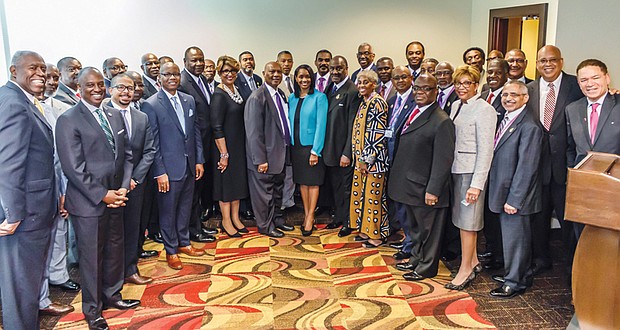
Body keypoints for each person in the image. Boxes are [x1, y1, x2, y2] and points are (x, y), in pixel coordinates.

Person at [56, 67, 139, 330]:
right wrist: (103, 195)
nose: (96, 89)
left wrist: (123, 188)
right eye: (89, 85)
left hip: (117, 197)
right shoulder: (69, 119)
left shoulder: (113, 115)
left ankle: (112, 295)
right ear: (79, 88)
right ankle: (92, 310)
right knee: (92, 257)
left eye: (100, 85)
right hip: (89, 203)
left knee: (115, 248)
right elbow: (73, 167)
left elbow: (126, 156)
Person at [0, 50, 57, 330]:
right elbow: (8, 163)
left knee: (26, 286)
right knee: (21, 288)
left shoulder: (21, 100)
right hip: (24, 216)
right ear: (14, 71)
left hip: (32, 210)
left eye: (43, 69)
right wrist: (12, 215)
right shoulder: (13, 103)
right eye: (32, 68)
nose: (40, 74)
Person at [142, 62, 208, 271]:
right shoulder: (151, 104)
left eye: (176, 74)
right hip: (168, 170)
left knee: (185, 207)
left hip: (189, 166)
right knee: (168, 211)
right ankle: (171, 250)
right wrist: (159, 171)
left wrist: (199, 160)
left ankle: (184, 242)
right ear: (159, 78)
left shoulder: (188, 100)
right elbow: (153, 142)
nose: (172, 77)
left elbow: (195, 132)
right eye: (167, 74)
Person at [390, 74, 455, 281]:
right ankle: (416, 259)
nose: (420, 93)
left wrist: (433, 190)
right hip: (408, 185)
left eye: (426, 89)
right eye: (417, 88)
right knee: (415, 229)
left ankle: (427, 267)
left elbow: (443, 160)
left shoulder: (441, 121)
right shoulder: (414, 111)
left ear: (436, 91)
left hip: (425, 188)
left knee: (428, 232)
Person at [526, 45, 583, 276]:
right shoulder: (528, 89)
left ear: (561, 61)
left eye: (552, 60)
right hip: (536, 167)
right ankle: (541, 259)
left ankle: (573, 267)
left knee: (568, 221)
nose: (547, 64)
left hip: (565, 167)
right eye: (542, 61)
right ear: (537, 64)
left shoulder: (575, 86)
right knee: (538, 218)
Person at [488, 80, 542, 298]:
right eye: (505, 95)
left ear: (525, 98)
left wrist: (514, 199)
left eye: (514, 95)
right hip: (504, 190)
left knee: (515, 240)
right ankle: (520, 273)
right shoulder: (506, 118)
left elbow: (527, 167)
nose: (508, 99)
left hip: (515, 196)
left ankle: (514, 282)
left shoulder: (529, 126)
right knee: (513, 239)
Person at [445, 65, 497, 290]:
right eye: (458, 83)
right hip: (457, 169)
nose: (462, 87)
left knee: (469, 223)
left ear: (477, 85)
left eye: (467, 83)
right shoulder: (456, 105)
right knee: (461, 220)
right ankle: (473, 260)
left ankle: (465, 269)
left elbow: (487, 150)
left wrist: (477, 184)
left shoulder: (484, 109)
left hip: (472, 173)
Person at [106, 73, 156, 285]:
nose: (126, 92)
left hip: (136, 184)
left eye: (130, 88)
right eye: (121, 88)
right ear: (111, 90)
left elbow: (149, 151)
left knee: (133, 228)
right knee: (111, 234)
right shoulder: (102, 114)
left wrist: (134, 179)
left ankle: (130, 269)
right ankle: (111, 275)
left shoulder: (141, 117)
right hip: (108, 187)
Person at [566, 59, 620, 237]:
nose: (590, 84)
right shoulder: (572, 109)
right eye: (583, 80)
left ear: (607, 78)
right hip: (583, 190)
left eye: (595, 77)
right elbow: (570, 148)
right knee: (583, 237)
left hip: (614, 188)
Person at [244, 62, 295, 238]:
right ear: (263, 73)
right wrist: (260, 160)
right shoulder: (257, 98)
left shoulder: (279, 93)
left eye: (279, 72)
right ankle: (265, 226)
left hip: (280, 154)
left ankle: (277, 220)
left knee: (277, 192)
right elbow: (253, 133)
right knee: (264, 196)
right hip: (264, 158)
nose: (276, 75)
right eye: (271, 71)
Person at [179, 46, 218, 241]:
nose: (198, 63)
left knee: (199, 191)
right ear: (185, 61)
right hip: (192, 148)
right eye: (194, 60)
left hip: (206, 144)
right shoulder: (182, 83)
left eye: (201, 59)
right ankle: (192, 231)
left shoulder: (201, 79)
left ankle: (198, 226)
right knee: (192, 193)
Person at [322, 56, 362, 236]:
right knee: (335, 187)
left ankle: (348, 222)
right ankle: (338, 217)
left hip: (343, 152)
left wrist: (348, 153)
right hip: (331, 150)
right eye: (332, 69)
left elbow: (353, 125)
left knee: (346, 189)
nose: (335, 72)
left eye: (339, 68)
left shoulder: (352, 91)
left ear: (346, 68)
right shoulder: (331, 87)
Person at [210, 56, 249, 237]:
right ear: (219, 73)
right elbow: (216, 127)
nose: (230, 74)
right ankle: (226, 221)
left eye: (233, 70)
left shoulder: (236, 89)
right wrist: (224, 154)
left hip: (238, 146)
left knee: (236, 184)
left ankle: (235, 217)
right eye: (225, 71)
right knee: (226, 186)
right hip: (224, 149)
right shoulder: (219, 95)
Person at [349, 70, 389, 248]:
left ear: (374, 84)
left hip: (374, 162)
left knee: (374, 198)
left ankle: (377, 235)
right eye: (359, 82)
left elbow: (376, 134)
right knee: (363, 196)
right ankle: (365, 230)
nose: (361, 85)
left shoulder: (378, 102)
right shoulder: (364, 102)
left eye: (366, 82)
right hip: (361, 160)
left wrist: (367, 160)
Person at [288, 64, 328, 236]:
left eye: (307, 76)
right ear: (295, 79)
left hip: (311, 147)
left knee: (313, 183)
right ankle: (306, 213)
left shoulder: (319, 98)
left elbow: (321, 125)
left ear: (312, 78)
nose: (304, 80)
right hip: (296, 147)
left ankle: (310, 217)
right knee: (302, 183)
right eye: (300, 77)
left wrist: (315, 151)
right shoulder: (292, 98)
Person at [479, 59, 510, 271]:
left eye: (497, 73)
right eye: (489, 73)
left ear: (506, 74)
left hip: (499, 163)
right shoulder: (482, 96)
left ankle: (500, 255)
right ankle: (490, 248)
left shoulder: (509, 98)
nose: (492, 76)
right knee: (487, 211)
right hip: (482, 163)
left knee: (497, 210)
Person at [385, 66, 415, 260]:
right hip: (391, 157)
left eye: (404, 77)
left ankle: (411, 244)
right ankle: (406, 240)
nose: (400, 81)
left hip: (407, 160)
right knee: (397, 202)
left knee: (408, 206)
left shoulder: (416, 100)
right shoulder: (392, 100)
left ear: (411, 78)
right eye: (396, 78)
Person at [276, 51, 296, 211]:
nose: (286, 64)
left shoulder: (297, 81)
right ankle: (281, 203)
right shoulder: (274, 83)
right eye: (283, 61)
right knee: (281, 171)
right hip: (279, 136)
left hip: (294, 135)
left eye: (289, 61)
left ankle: (288, 201)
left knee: (291, 170)